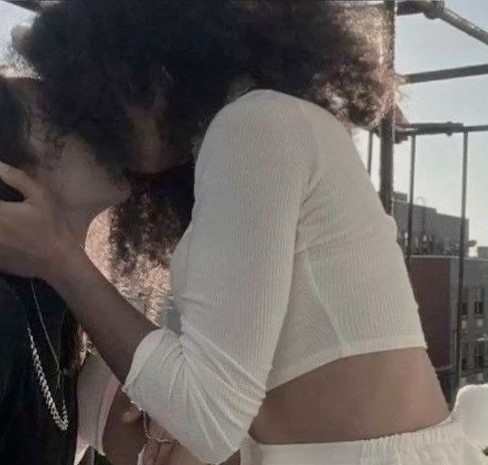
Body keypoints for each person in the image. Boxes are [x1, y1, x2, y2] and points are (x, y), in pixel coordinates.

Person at [1, 2, 486, 464]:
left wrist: (61, 259)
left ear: (151, 64)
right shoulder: (263, 127)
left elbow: (207, 419)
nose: (96, 123)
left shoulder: (255, 125)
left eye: (95, 94)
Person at [0, 71, 189, 465]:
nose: (100, 132)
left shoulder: (64, 313)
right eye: (64, 120)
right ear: (11, 172)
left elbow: (183, 430)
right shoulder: (6, 310)